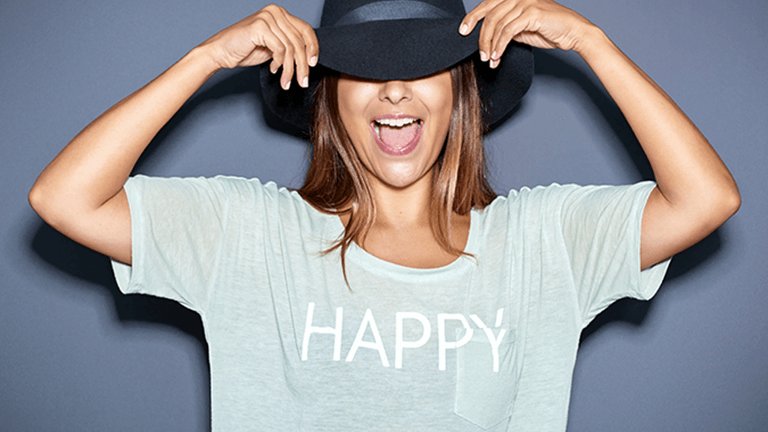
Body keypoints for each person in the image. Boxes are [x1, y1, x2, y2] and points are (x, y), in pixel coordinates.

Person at [28, 0, 740, 430]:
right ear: (329, 98)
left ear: (461, 92)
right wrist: (203, 58)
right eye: (365, 67)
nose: (395, 90)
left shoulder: (543, 243)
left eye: (423, 65)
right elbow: (63, 198)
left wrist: (593, 43)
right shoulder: (249, 234)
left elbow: (707, 199)